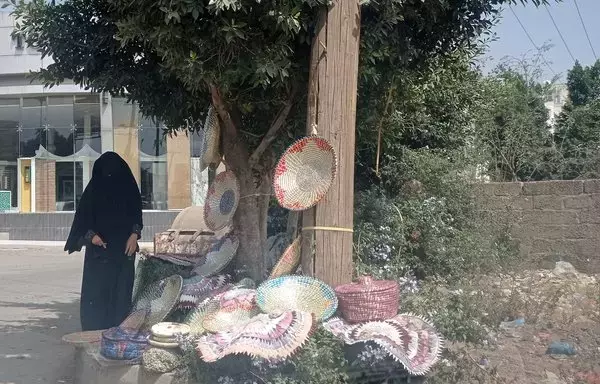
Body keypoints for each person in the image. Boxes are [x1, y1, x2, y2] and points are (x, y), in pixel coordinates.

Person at [65, 152, 143, 331]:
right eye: (106, 174)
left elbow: (136, 214)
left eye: (114, 174)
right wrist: (91, 236)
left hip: (124, 253)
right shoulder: (94, 191)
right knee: (97, 295)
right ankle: (95, 332)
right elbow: (82, 220)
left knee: (121, 294)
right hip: (99, 255)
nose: (110, 179)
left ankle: (119, 331)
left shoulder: (129, 189)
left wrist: (134, 235)